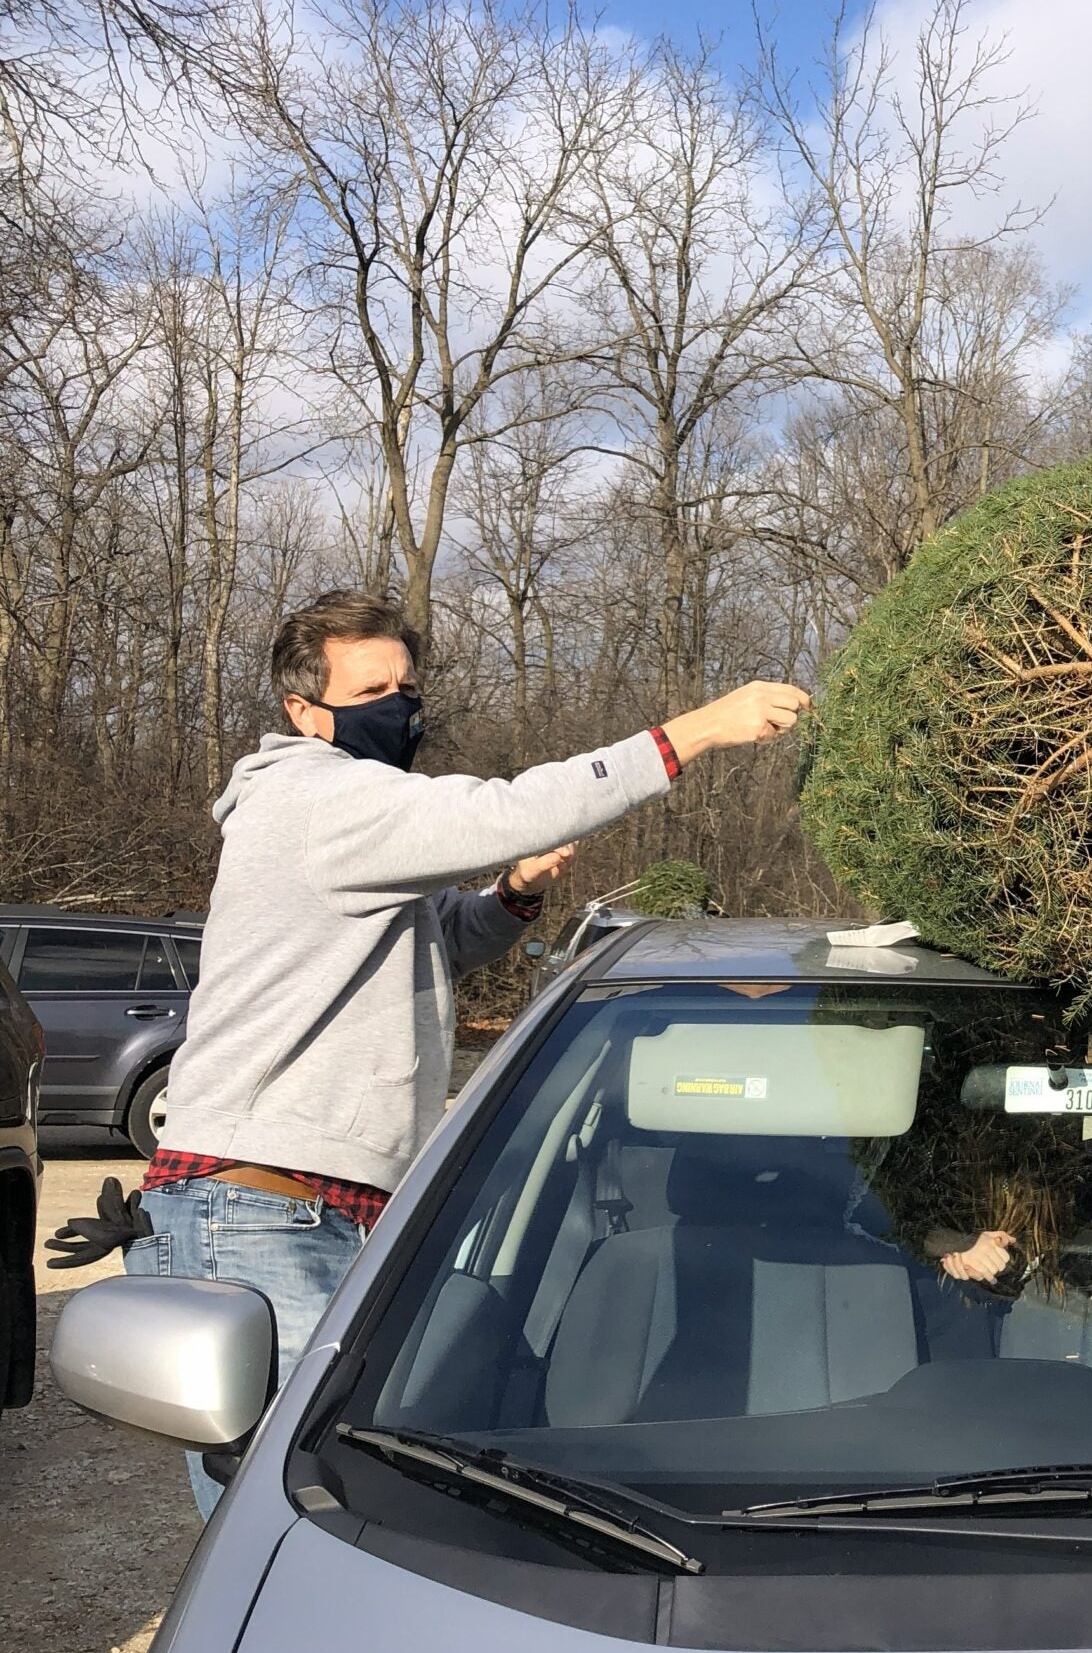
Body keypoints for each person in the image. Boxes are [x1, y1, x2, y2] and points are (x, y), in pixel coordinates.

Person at [116, 590, 807, 1515]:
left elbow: (437, 938)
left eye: (408, 683)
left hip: (319, 1208)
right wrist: (697, 730)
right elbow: (509, 809)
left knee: (337, 1516)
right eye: (373, 686)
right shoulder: (312, 796)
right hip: (257, 1208)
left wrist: (513, 895)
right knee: (290, 1525)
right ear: (303, 710)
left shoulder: (349, 821)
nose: (401, 704)